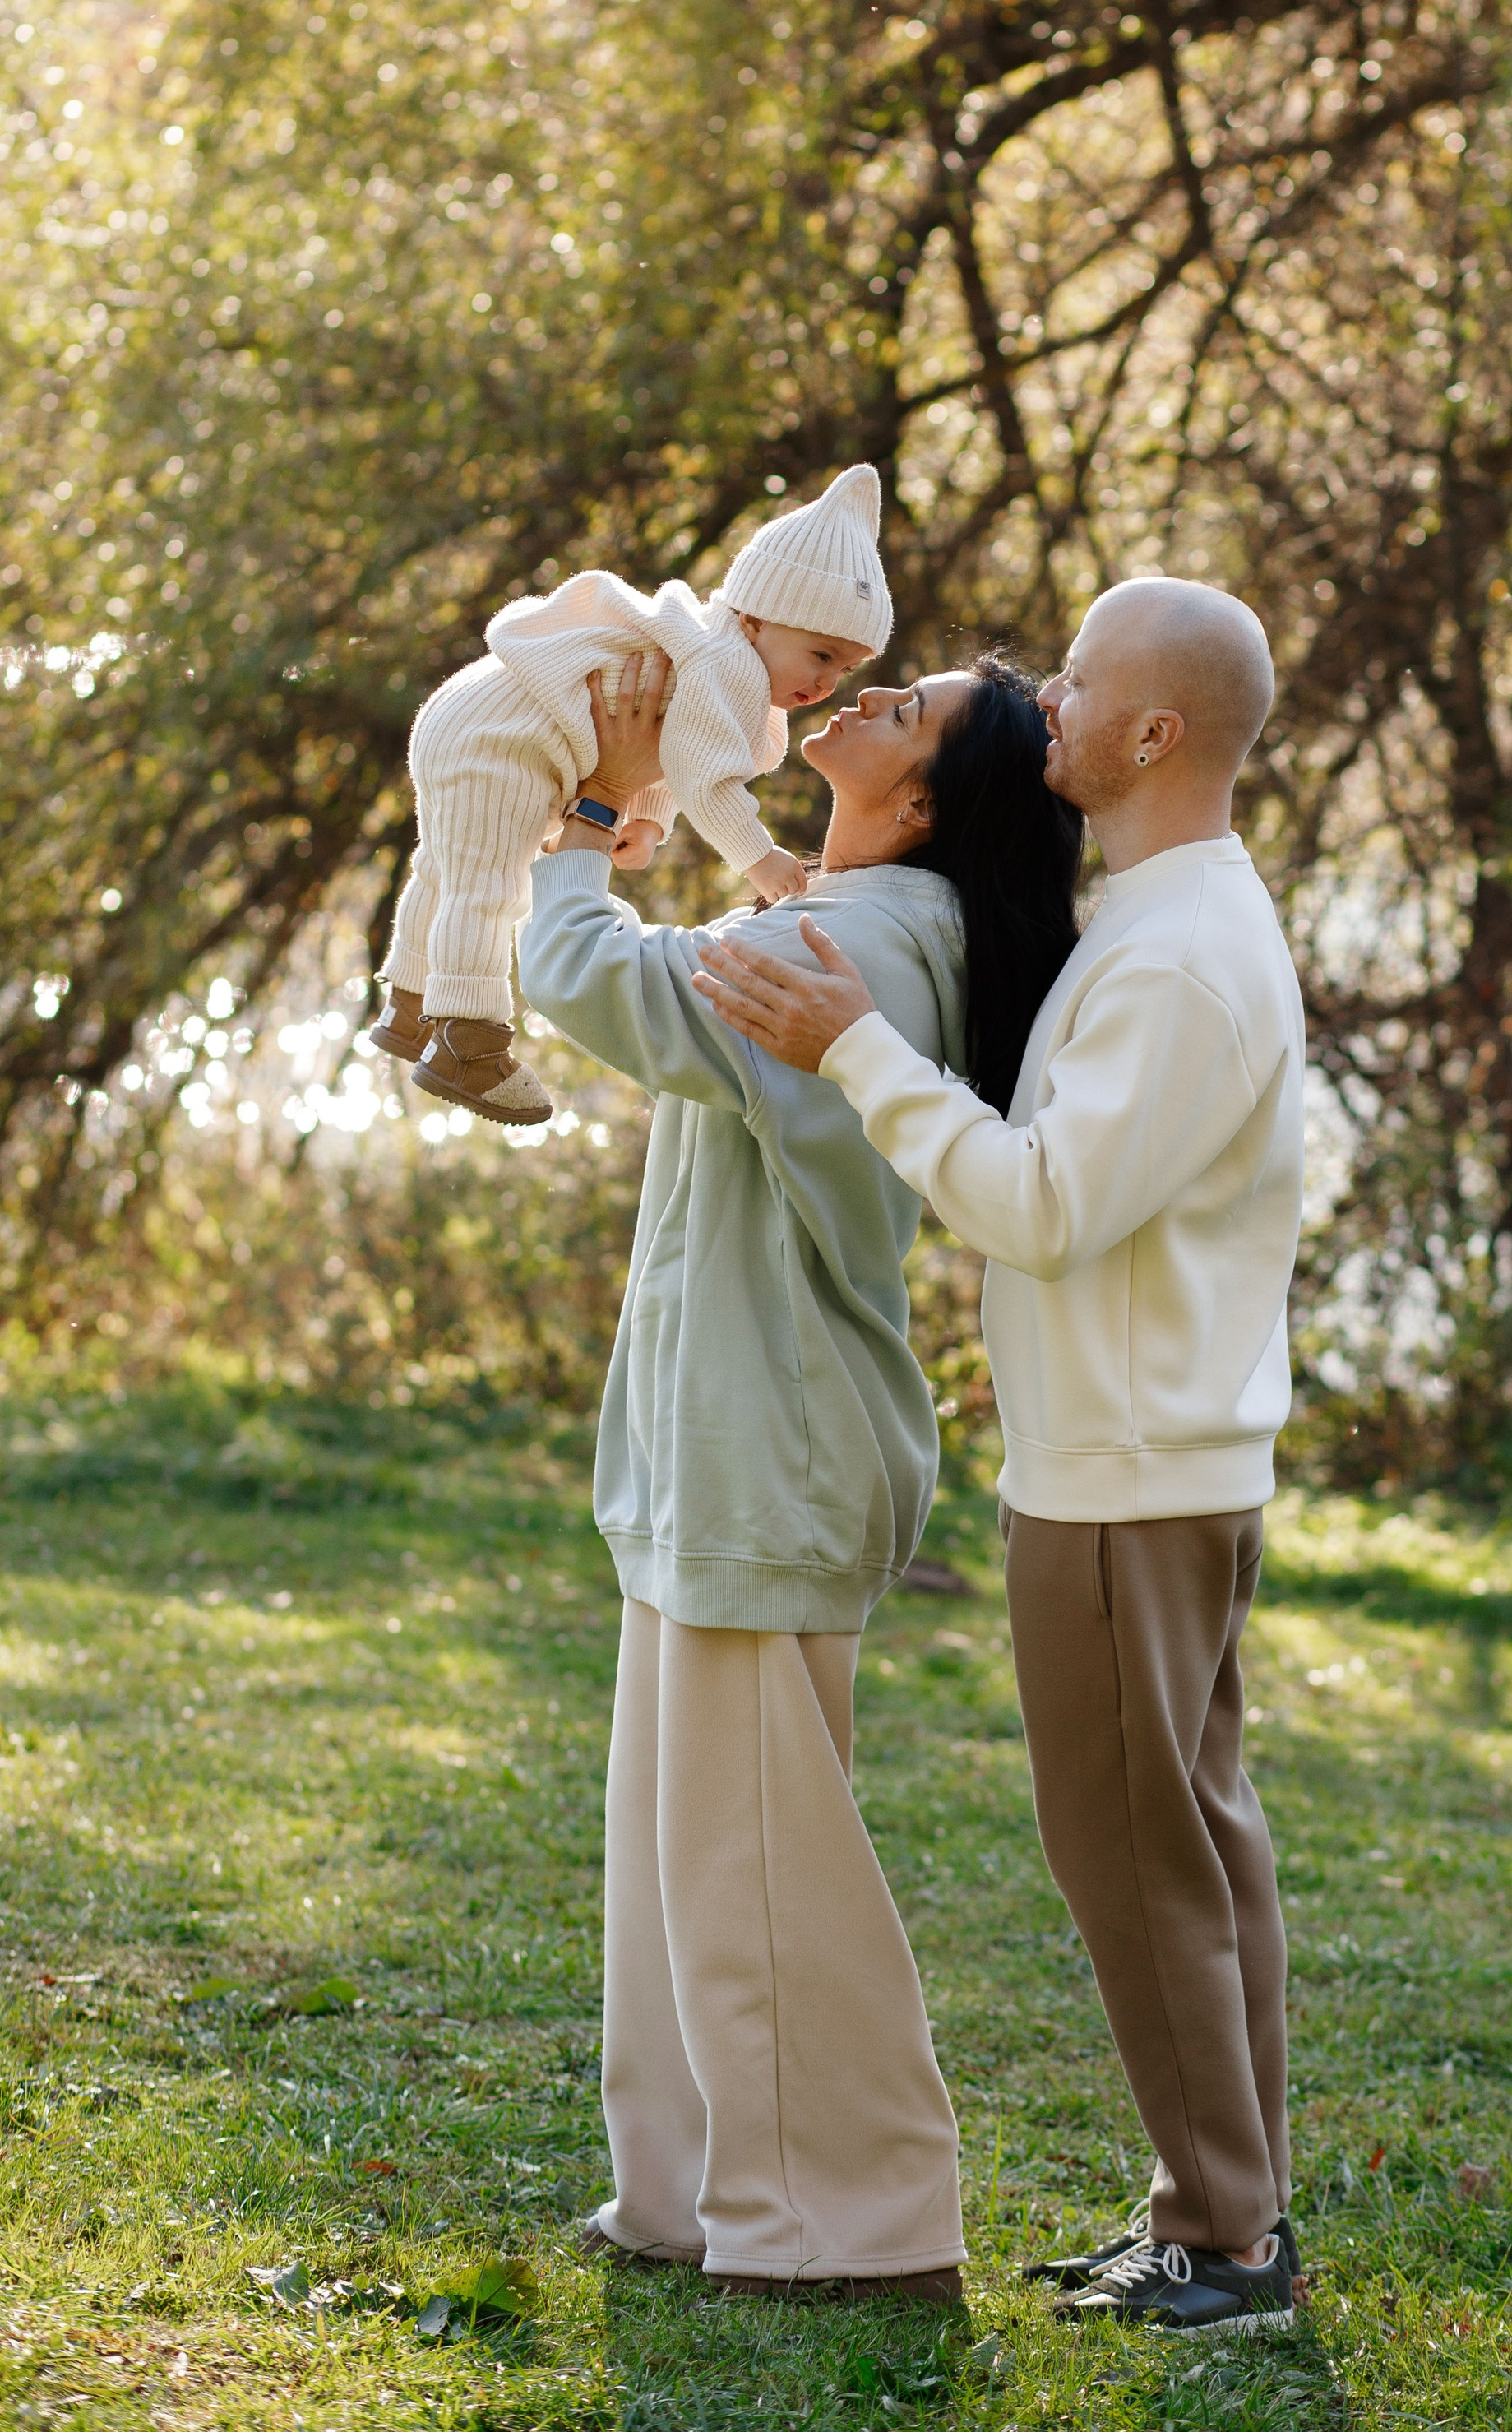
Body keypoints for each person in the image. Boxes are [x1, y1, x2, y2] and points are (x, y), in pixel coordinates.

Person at [693, 578, 1307, 2339]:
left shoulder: (1183, 957)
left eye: (1080, 681)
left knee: (1137, 1861)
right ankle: (1222, 2212)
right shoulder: (1160, 920)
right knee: (1194, 1849)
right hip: (1144, 1467)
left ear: (1153, 732)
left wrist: (851, 1046)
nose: (1051, 703)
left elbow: (1039, 1211)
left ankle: (1224, 2241)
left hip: (1124, 1486)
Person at [517, 642, 1083, 2296]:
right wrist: (635, 827)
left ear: (916, 801)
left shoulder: (875, 942)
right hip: (727, 1439)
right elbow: (680, 961)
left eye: (902, 712)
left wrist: (594, 805)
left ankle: (853, 2217)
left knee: (763, 1860)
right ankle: (689, 2190)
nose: (867, 696)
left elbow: (597, 986)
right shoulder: (859, 920)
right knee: (689, 1844)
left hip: (771, 1442)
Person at [376, 464, 890, 1125]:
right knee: (491, 882)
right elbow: (706, 777)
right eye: (821, 656)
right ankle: (468, 1040)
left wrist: (644, 821)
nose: (828, 684)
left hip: (478, 719)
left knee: (446, 866)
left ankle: (409, 1000)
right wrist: (758, 858)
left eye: (845, 669)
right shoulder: (727, 662)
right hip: (504, 738)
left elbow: (669, 746)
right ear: (757, 619)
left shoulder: (714, 658)